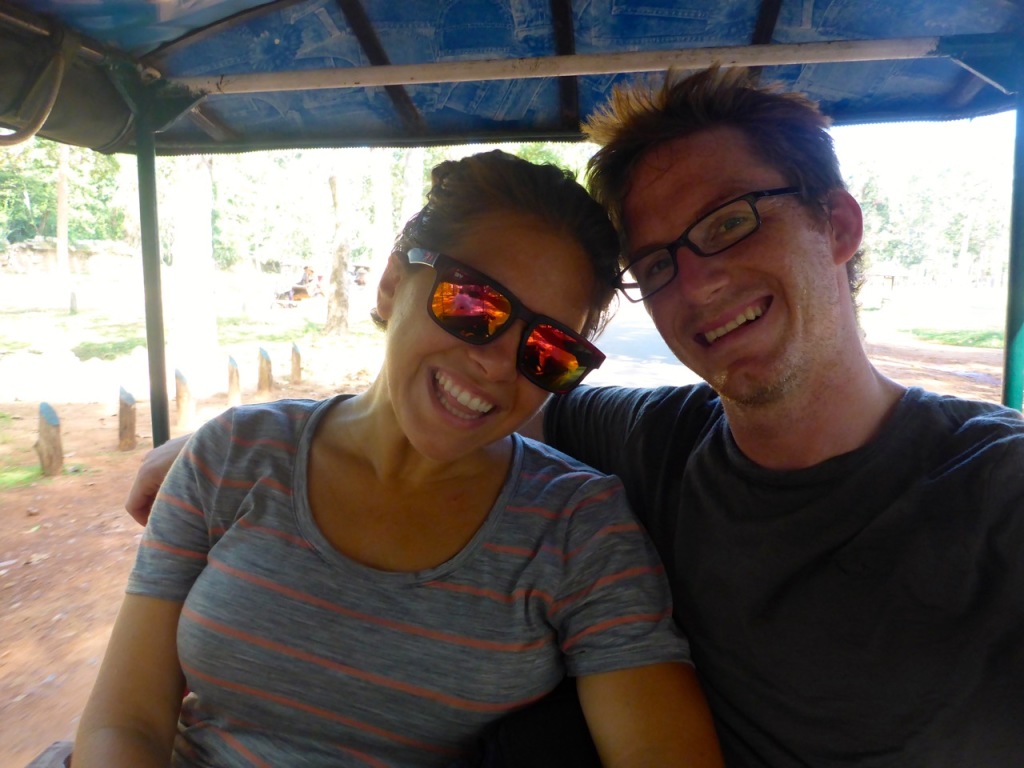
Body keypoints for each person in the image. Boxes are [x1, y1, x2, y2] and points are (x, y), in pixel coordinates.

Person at [125, 67, 1024, 767]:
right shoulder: (656, 443)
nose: (699, 282)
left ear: (836, 225)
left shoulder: (995, 485)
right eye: (660, 262)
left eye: (730, 223)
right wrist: (226, 441)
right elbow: (461, 402)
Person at [76, 150, 723, 768]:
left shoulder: (579, 529)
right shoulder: (234, 454)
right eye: (473, 304)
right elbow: (124, 720)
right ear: (391, 284)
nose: (498, 363)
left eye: (548, 352)